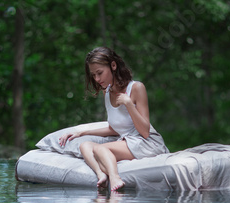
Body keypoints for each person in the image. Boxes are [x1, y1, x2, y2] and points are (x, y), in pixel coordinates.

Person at [58, 46, 169, 191]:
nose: (97, 79)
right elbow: (114, 128)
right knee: (84, 146)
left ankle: (114, 177)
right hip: (127, 141)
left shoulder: (136, 88)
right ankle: (101, 175)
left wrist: (129, 104)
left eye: (100, 73)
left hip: (146, 142)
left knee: (99, 149)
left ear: (113, 65)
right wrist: (81, 132)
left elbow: (145, 131)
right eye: (93, 75)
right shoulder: (107, 92)